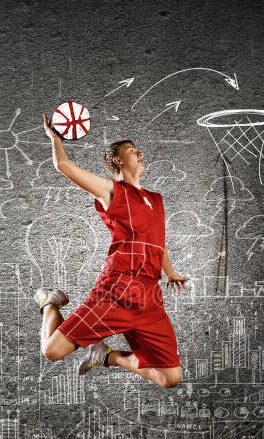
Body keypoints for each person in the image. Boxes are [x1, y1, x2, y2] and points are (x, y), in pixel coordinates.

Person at [35, 114, 187, 388]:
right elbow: (63, 165)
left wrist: (171, 272)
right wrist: (55, 139)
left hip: (149, 297)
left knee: (169, 378)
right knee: (52, 351)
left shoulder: (155, 200)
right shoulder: (112, 192)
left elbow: (157, 242)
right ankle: (50, 302)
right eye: (132, 151)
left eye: (138, 151)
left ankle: (105, 356)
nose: (139, 154)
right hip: (118, 290)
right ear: (118, 160)